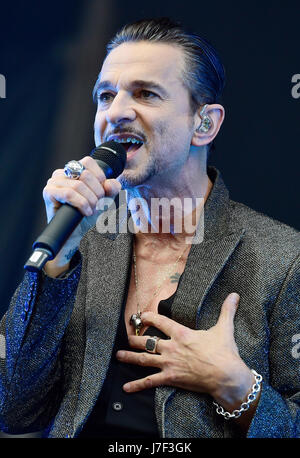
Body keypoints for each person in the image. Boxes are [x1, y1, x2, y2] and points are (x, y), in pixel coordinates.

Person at [0, 17, 299, 439]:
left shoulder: (284, 260)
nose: (116, 112)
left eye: (145, 93)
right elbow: (12, 408)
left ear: (205, 124)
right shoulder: (84, 240)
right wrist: (60, 259)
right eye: (105, 96)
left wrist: (236, 387)